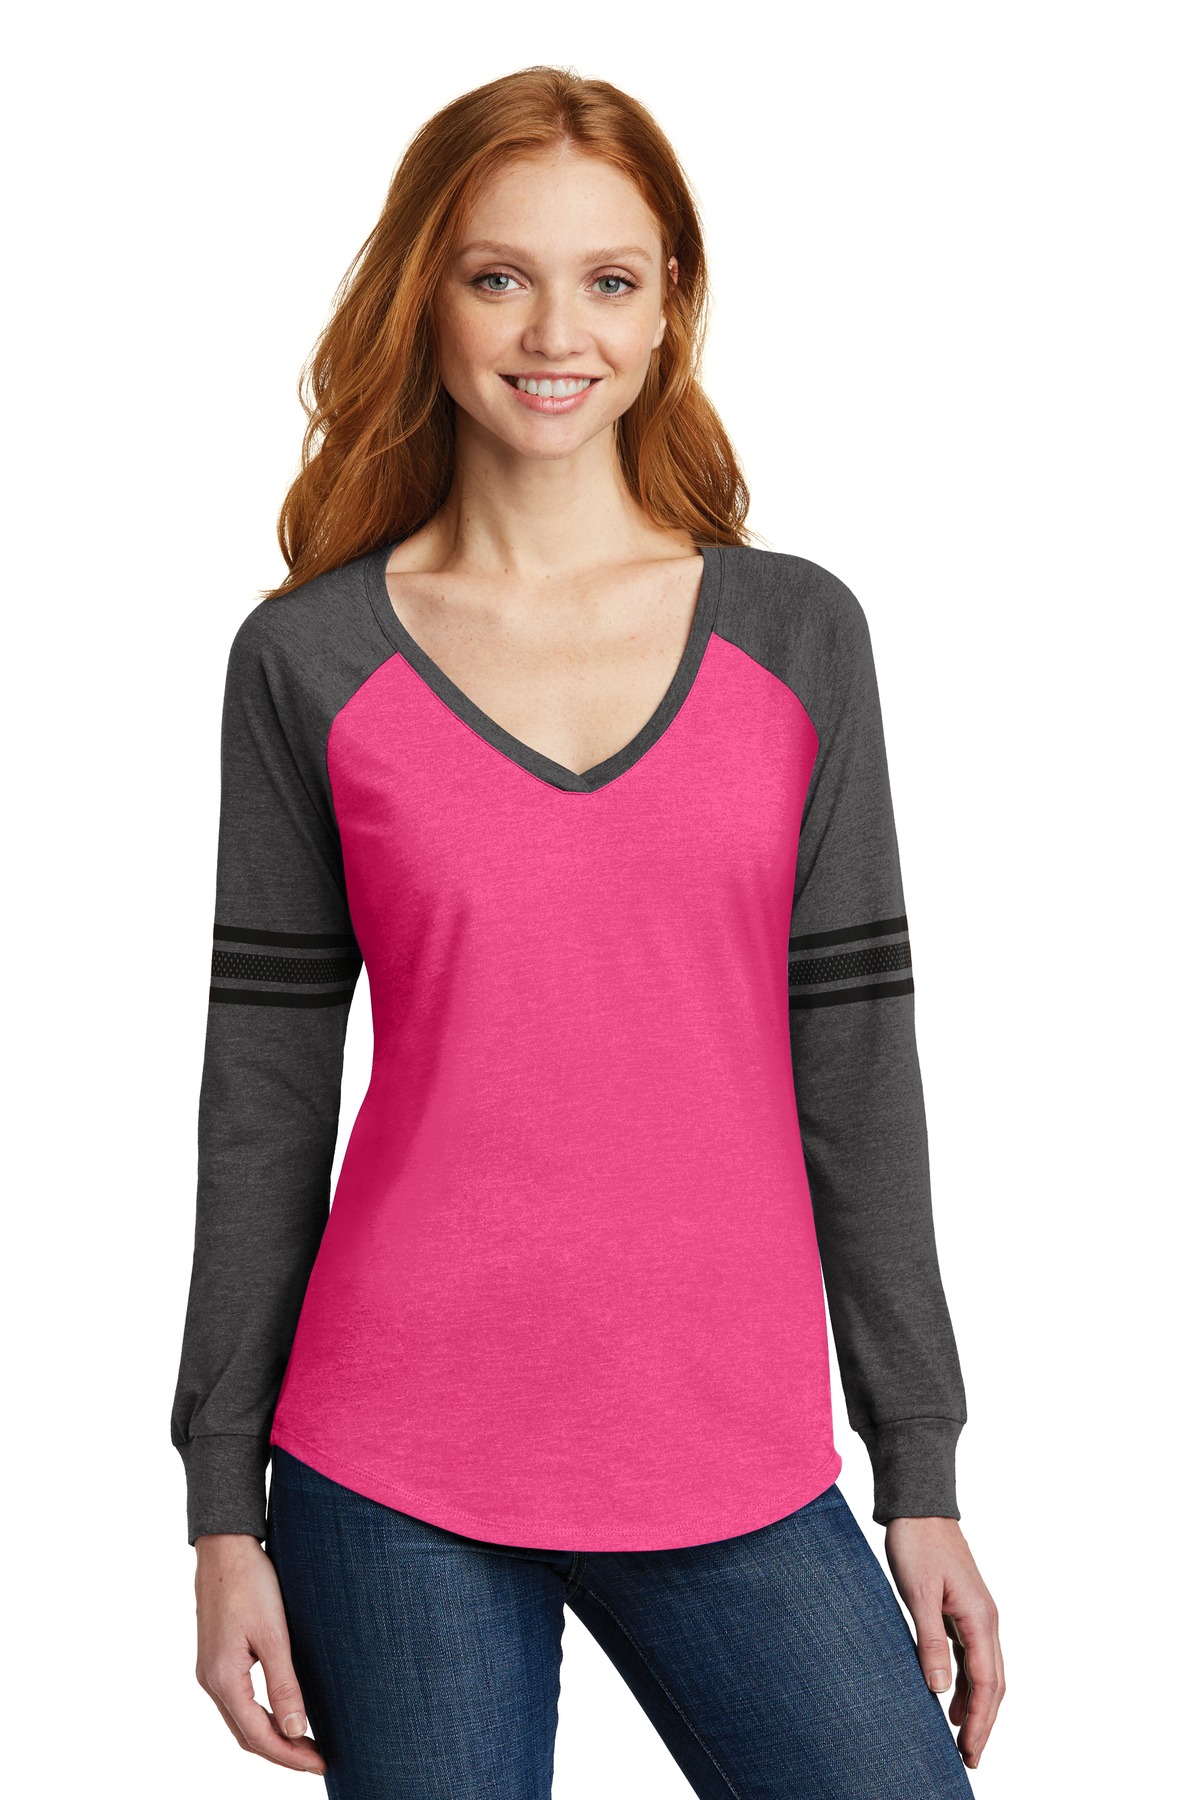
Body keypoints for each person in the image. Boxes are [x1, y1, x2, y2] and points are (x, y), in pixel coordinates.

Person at [171, 65, 1005, 1798]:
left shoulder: (798, 637)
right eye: (500, 276)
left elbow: (859, 1067)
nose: (557, 333)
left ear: (669, 302)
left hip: (730, 1451)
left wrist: (918, 1465)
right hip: (389, 1466)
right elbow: (263, 1098)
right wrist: (222, 1505)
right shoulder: (308, 661)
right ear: (428, 295)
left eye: (608, 278)